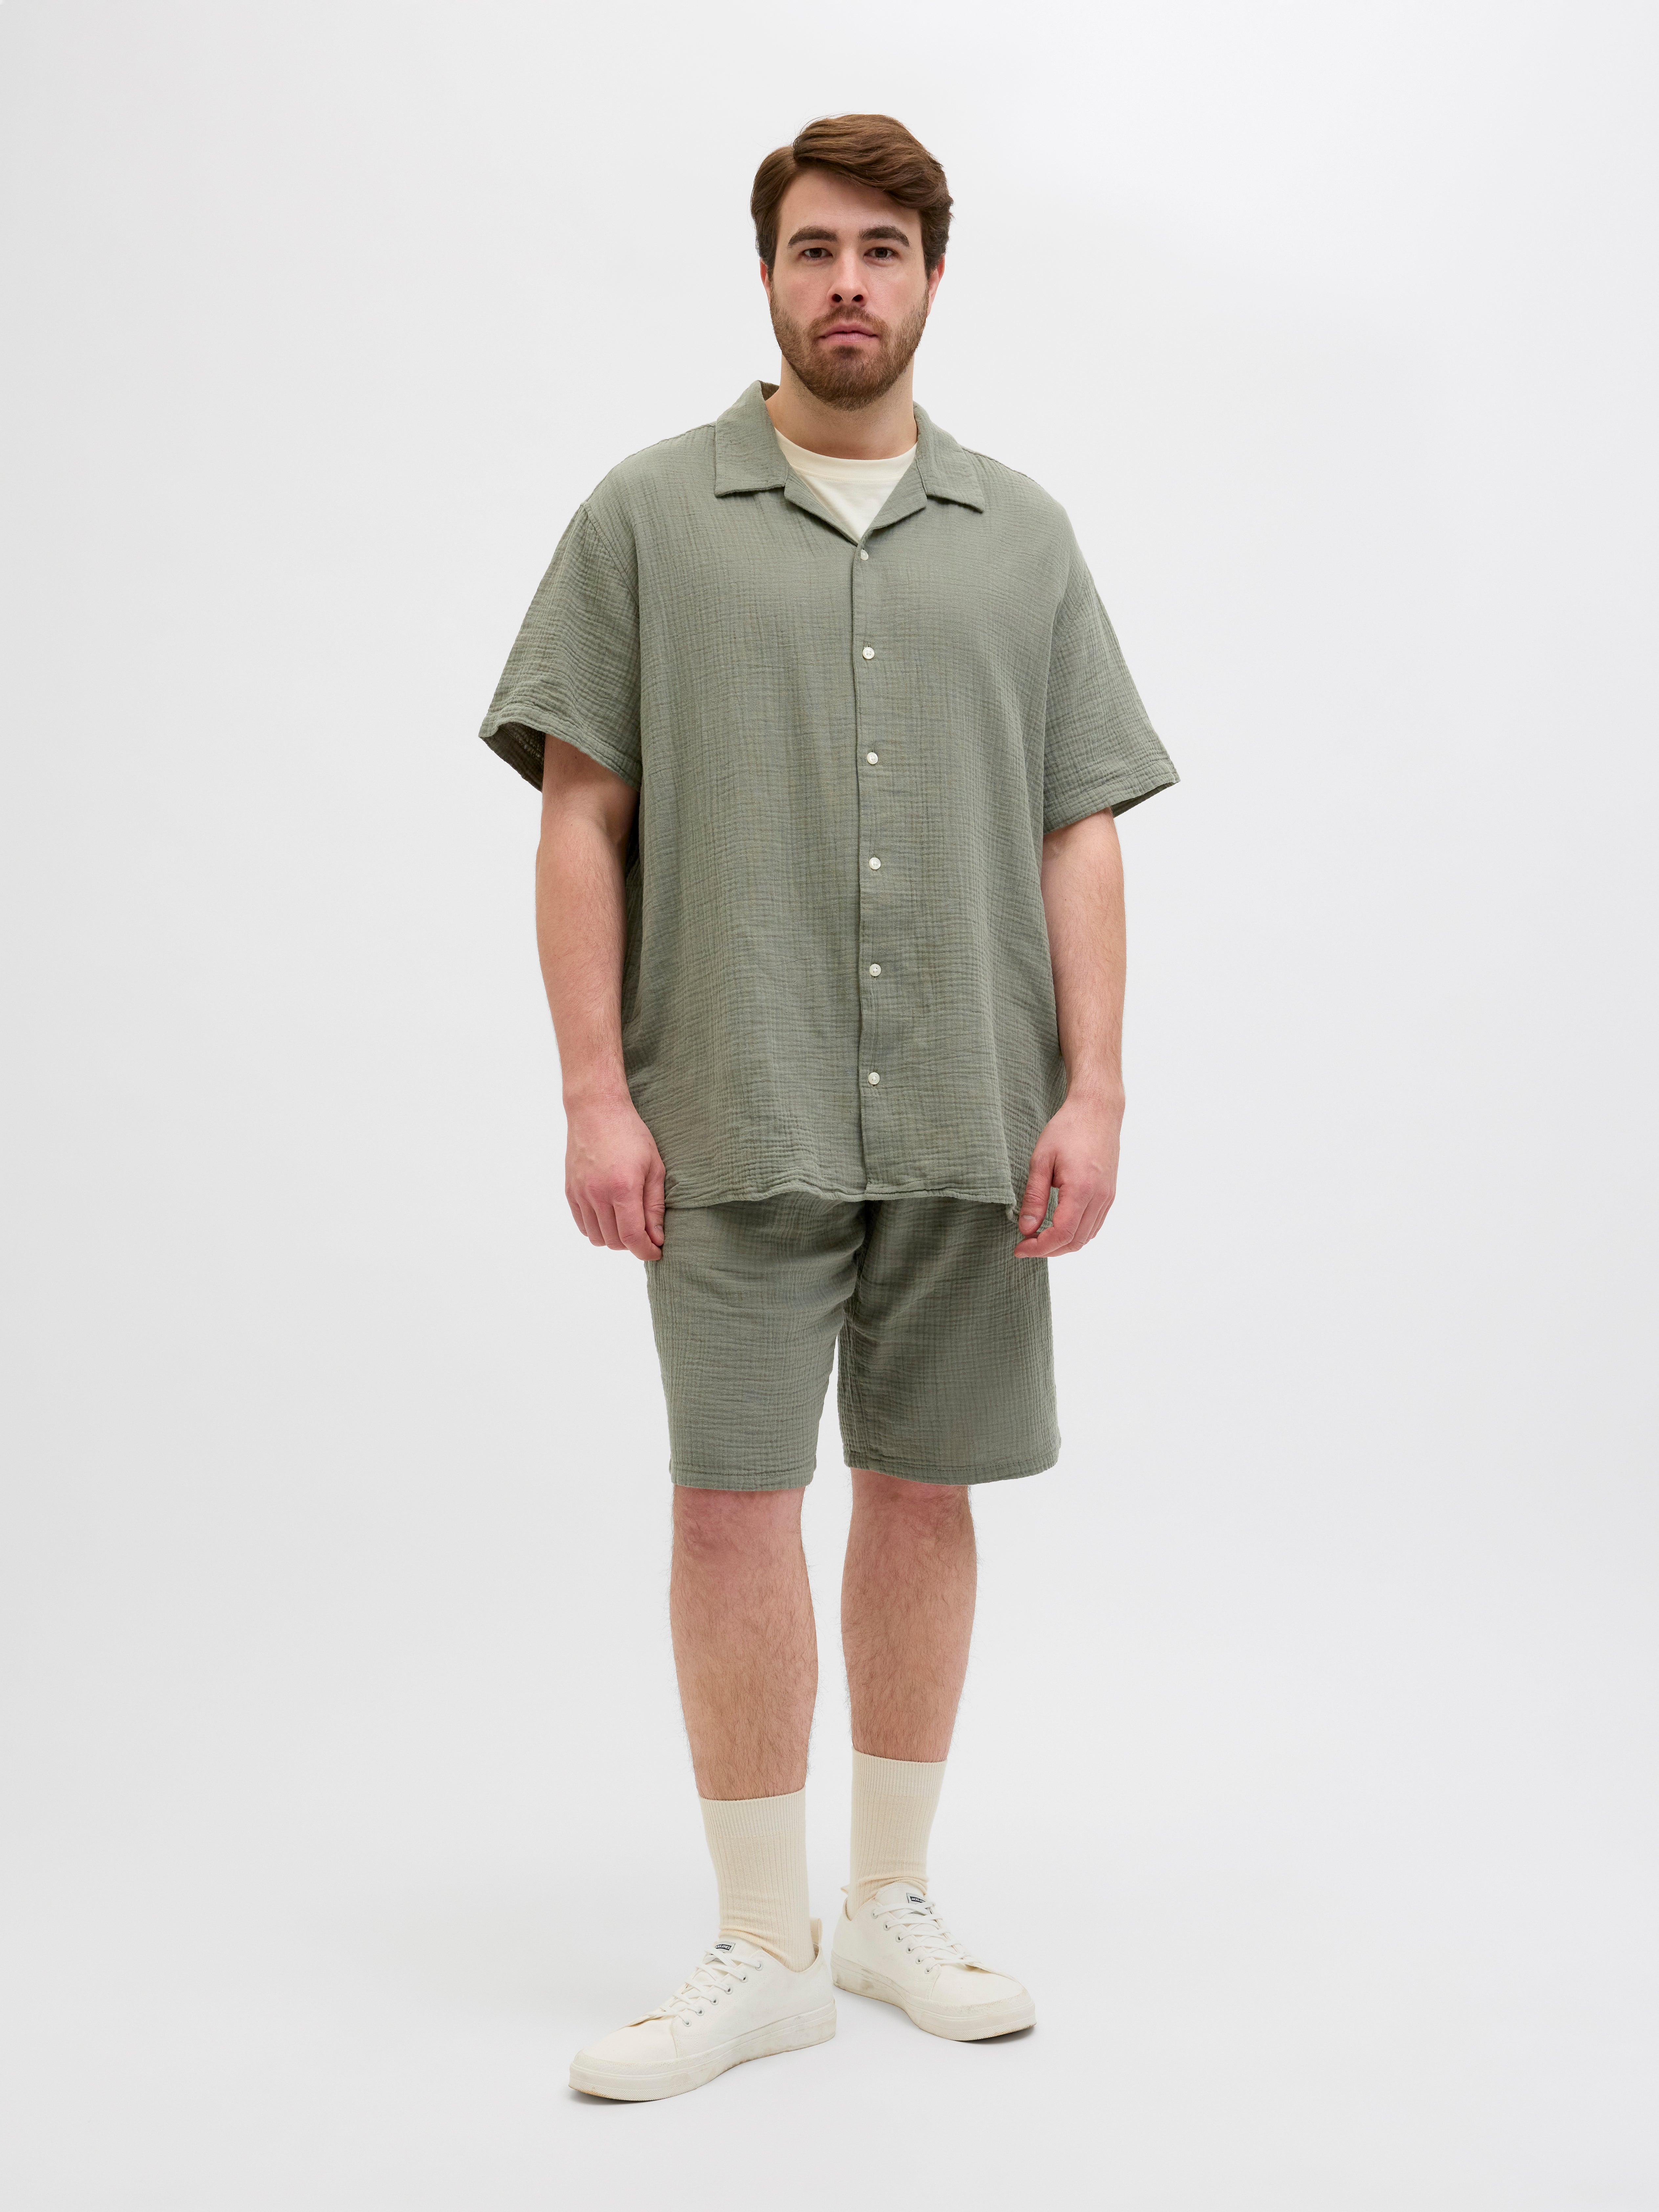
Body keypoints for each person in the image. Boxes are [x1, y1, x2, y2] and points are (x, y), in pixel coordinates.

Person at [478, 113, 1178, 2101]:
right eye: (813, 248)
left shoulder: (1023, 535)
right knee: (730, 1499)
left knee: (926, 1488)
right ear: (769, 274)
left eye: (881, 248)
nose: (847, 282)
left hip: (972, 1101)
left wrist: (1095, 1086)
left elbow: (1080, 825)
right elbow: (581, 816)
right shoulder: (645, 517)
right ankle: (762, 1942)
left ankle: (887, 1901)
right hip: (729, 1096)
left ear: (932, 277)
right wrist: (595, 1091)